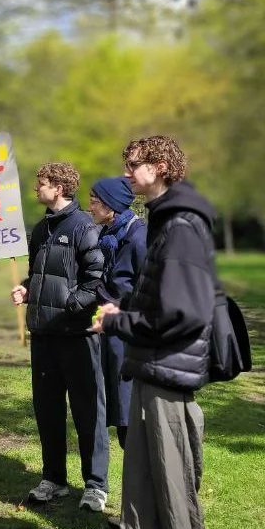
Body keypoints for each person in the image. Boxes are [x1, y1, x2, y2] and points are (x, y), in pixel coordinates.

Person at [66, 135, 227, 529]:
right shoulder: (165, 220)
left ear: (159, 168)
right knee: (138, 490)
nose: (126, 174)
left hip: (169, 378)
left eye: (132, 166)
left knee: (175, 494)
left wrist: (119, 322)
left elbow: (182, 313)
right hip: (150, 373)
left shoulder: (180, 225)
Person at [11, 163, 109, 512]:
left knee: (88, 413)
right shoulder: (39, 230)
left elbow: (96, 278)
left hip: (76, 335)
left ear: (59, 187)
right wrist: (26, 290)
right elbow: (39, 274)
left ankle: (96, 485)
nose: (35, 190)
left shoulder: (84, 226)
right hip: (43, 336)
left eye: (41, 184)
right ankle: (53, 479)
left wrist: (71, 306)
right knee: (47, 411)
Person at [88, 177, 147, 450]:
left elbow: (150, 289)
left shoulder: (138, 237)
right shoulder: (107, 235)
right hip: (110, 332)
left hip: (129, 335)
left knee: (131, 414)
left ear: (111, 205)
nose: (90, 206)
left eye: (95, 201)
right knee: (116, 406)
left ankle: (147, 484)